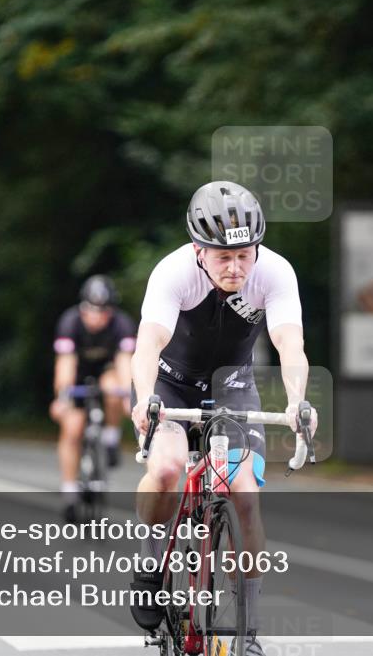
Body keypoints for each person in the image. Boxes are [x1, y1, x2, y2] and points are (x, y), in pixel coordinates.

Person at [129, 181, 318, 655]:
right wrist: (145, 397)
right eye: (222, 258)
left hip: (234, 387)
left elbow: (290, 344)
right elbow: (148, 344)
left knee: (244, 493)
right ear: (199, 251)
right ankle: (151, 565)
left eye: (245, 256)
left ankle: (249, 630)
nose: (235, 268)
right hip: (171, 386)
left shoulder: (274, 272)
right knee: (168, 469)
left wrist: (297, 401)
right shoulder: (172, 272)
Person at [50, 275, 136, 523]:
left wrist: (129, 396)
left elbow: (124, 362)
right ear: (83, 307)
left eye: (103, 312)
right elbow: (65, 364)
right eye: (91, 311)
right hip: (78, 374)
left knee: (112, 388)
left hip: (106, 370)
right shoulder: (70, 322)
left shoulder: (122, 324)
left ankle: (110, 438)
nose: (97, 317)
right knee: (72, 430)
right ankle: (69, 492)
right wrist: (61, 398)